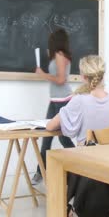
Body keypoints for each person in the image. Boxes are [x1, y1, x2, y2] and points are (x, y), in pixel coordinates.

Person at [45, 55, 109, 146]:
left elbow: (50, 126)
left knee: (52, 156)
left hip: (85, 157)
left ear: (83, 77)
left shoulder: (80, 100)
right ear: (103, 75)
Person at [32, 28, 74, 184]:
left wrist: (42, 74)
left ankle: (81, 164)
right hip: (55, 101)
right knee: (46, 137)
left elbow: (61, 80)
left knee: (63, 139)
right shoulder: (58, 55)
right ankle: (40, 172)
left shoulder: (60, 56)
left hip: (63, 101)